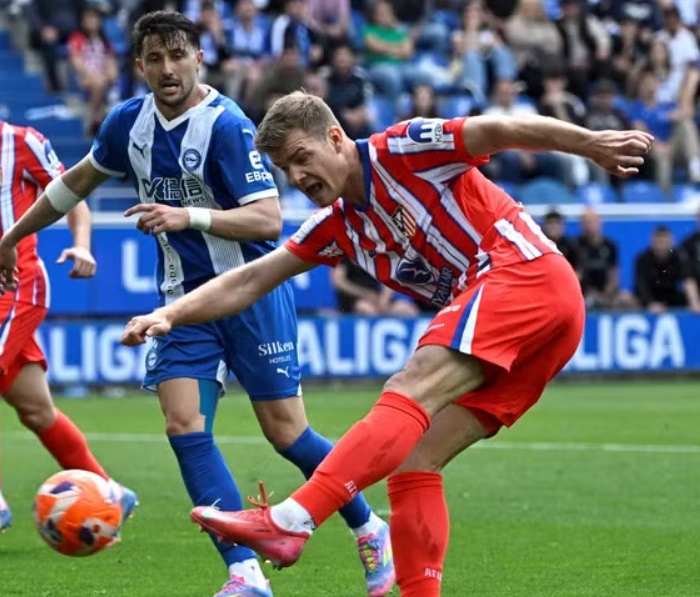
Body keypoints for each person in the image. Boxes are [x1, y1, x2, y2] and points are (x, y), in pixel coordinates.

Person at [121, 92, 652, 597]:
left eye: (302, 157)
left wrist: (590, 142)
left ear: (335, 138)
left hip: (525, 274)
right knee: (414, 459)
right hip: (544, 320)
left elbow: (498, 128)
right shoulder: (338, 226)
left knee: (411, 385)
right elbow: (250, 280)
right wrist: (169, 312)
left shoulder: (402, 149)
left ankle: (291, 519)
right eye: (286, 169)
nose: (298, 176)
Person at [0, 13, 394, 597]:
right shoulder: (128, 123)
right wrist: (13, 235)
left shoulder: (227, 125)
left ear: (199, 58)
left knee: (287, 434)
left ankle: (369, 526)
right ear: (139, 66)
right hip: (181, 303)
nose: (167, 69)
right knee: (183, 424)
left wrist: (188, 215)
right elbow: (72, 184)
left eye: (177, 56)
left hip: (251, 291)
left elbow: (268, 219)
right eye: (154, 59)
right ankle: (244, 573)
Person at [0, 51, 137, 553]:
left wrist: (82, 244)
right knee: (36, 411)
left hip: (15, 286)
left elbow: (73, 195)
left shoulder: (23, 143)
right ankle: (109, 489)